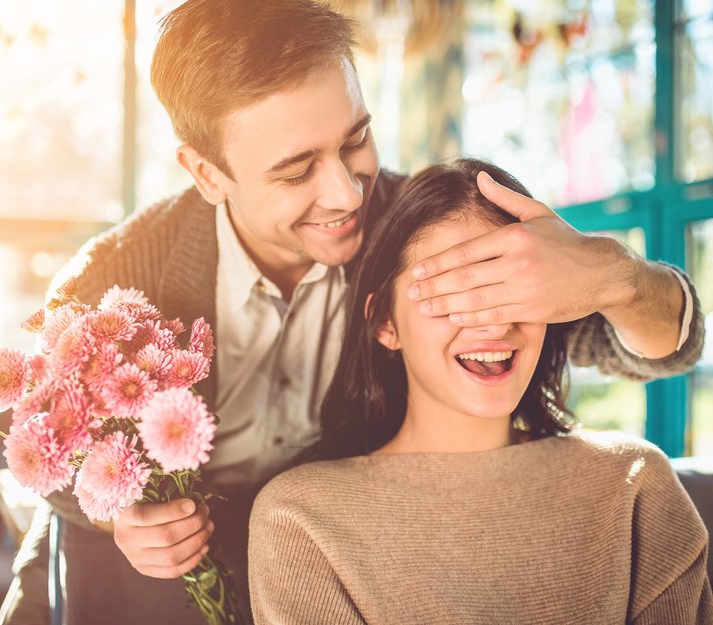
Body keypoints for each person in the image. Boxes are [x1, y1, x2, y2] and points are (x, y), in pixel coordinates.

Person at [0, 1, 704, 624]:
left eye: (355, 140)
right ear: (207, 173)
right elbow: (38, 444)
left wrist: (616, 277)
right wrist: (117, 508)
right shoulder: (118, 277)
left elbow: (653, 343)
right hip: (134, 576)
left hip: (327, 560)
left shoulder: (418, 233)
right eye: (297, 169)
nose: (346, 194)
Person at [247, 158, 713, 625]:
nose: (495, 322)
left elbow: (675, 336)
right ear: (384, 322)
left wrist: (614, 271)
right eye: (458, 292)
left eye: (511, 288)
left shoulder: (635, 484)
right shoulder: (301, 520)